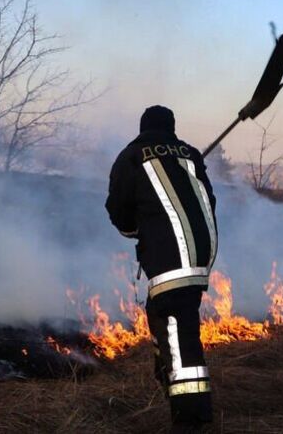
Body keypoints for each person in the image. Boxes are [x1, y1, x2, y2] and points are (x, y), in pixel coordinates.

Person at [105, 105, 219, 429]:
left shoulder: (131, 156)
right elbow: (208, 200)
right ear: (171, 128)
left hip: (170, 260)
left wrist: (140, 229)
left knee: (181, 339)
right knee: (161, 314)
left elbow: (119, 211)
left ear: (143, 129)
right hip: (200, 255)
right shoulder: (190, 154)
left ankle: (191, 419)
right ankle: (165, 374)